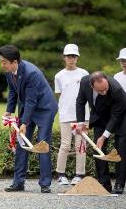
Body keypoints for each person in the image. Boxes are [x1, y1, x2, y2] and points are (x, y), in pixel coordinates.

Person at [0, 45, 57, 193]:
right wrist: (8, 111)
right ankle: (18, 183)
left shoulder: (32, 73)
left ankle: (45, 184)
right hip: (28, 108)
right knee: (21, 143)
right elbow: (13, 91)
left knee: (42, 144)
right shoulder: (9, 72)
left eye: (4, 62)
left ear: (14, 62)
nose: (2, 64)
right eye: (1, 61)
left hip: (44, 109)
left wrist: (24, 123)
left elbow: (32, 100)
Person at [76, 71, 126, 194]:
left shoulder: (117, 90)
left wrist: (104, 136)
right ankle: (104, 183)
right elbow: (80, 102)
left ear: (107, 81)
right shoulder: (84, 82)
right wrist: (81, 123)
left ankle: (119, 183)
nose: (104, 93)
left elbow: (115, 116)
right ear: (92, 86)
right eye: (100, 91)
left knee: (121, 147)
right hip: (100, 116)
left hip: (120, 116)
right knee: (97, 147)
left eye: (105, 89)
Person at [54, 44, 89, 185]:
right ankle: (60, 174)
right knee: (65, 145)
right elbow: (60, 94)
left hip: (82, 116)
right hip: (65, 115)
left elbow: (88, 94)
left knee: (81, 145)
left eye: (74, 56)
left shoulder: (84, 74)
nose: (71, 59)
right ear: (64, 57)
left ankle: (79, 175)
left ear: (77, 57)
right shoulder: (59, 76)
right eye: (68, 56)